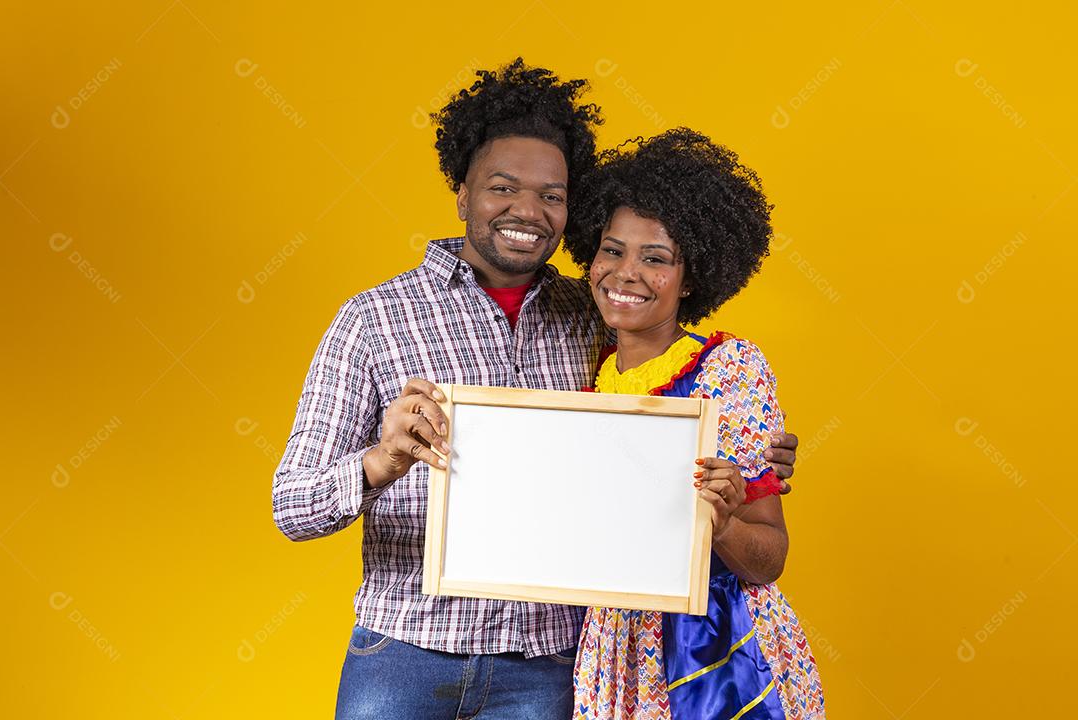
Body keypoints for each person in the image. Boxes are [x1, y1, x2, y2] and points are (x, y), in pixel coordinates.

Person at [272, 59, 802, 719]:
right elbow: (291, 507)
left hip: (551, 669)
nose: (527, 210)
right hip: (404, 656)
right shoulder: (373, 320)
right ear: (462, 190)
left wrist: (758, 462)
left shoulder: (594, 318)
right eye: (502, 187)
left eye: (551, 195)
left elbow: (674, 414)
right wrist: (382, 463)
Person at [563, 129, 824, 719]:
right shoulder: (588, 370)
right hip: (614, 652)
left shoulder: (726, 368)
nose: (625, 273)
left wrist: (723, 523)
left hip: (722, 645)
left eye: (655, 258)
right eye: (612, 250)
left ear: (692, 276)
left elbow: (769, 555)